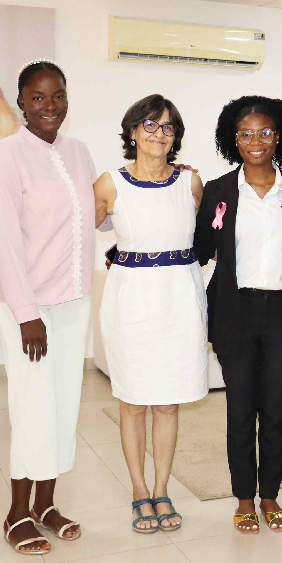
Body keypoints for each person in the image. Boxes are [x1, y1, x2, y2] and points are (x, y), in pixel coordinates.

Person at [0, 60, 96, 554]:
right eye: (37, 97)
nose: (49, 106)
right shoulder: (7, 156)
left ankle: (46, 504)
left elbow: (92, 221)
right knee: (32, 406)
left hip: (73, 299)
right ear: (21, 102)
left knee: (63, 403)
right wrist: (27, 313)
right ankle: (16, 513)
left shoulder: (78, 151)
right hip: (25, 305)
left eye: (57, 96)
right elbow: (4, 239)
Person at [193, 96, 282, 535]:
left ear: (279, 136)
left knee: (277, 412)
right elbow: (200, 253)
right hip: (234, 312)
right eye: (245, 133)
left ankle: (270, 496)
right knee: (240, 410)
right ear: (233, 139)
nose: (256, 141)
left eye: (265, 132)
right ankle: (244, 498)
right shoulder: (219, 191)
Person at [95, 94, 207, 534]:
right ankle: (139, 490)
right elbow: (77, 227)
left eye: (167, 127)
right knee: (133, 402)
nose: (158, 134)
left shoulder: (191, 182)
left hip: (179, 297)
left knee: (167, 402)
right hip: (132, 299)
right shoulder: (110, 184)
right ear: (132, 131)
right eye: (149, 124)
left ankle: (162, 488)